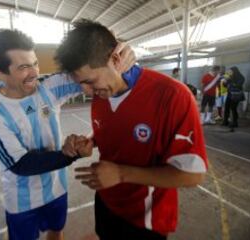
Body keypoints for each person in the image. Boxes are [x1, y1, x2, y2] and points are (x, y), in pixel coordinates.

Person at [55, 19, 207, 240]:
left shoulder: (172, 96)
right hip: (106, 201)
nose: (86, 92)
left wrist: (121, 174)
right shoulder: (102, 92)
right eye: (81, 84)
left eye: (89, 81)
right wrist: (89, 141)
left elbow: (192, 175)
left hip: (144, 217)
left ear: (116, 59)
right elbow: (108, 128)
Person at [0, 29, 134, 240]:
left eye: (34, 63)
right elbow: (21, 164)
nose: (34, 72)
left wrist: (120, 57)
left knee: (57, 231)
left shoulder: (48, 88)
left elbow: (94, 72)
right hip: (22, 199)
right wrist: (71, 154)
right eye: (24, 67)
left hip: (57, 189)